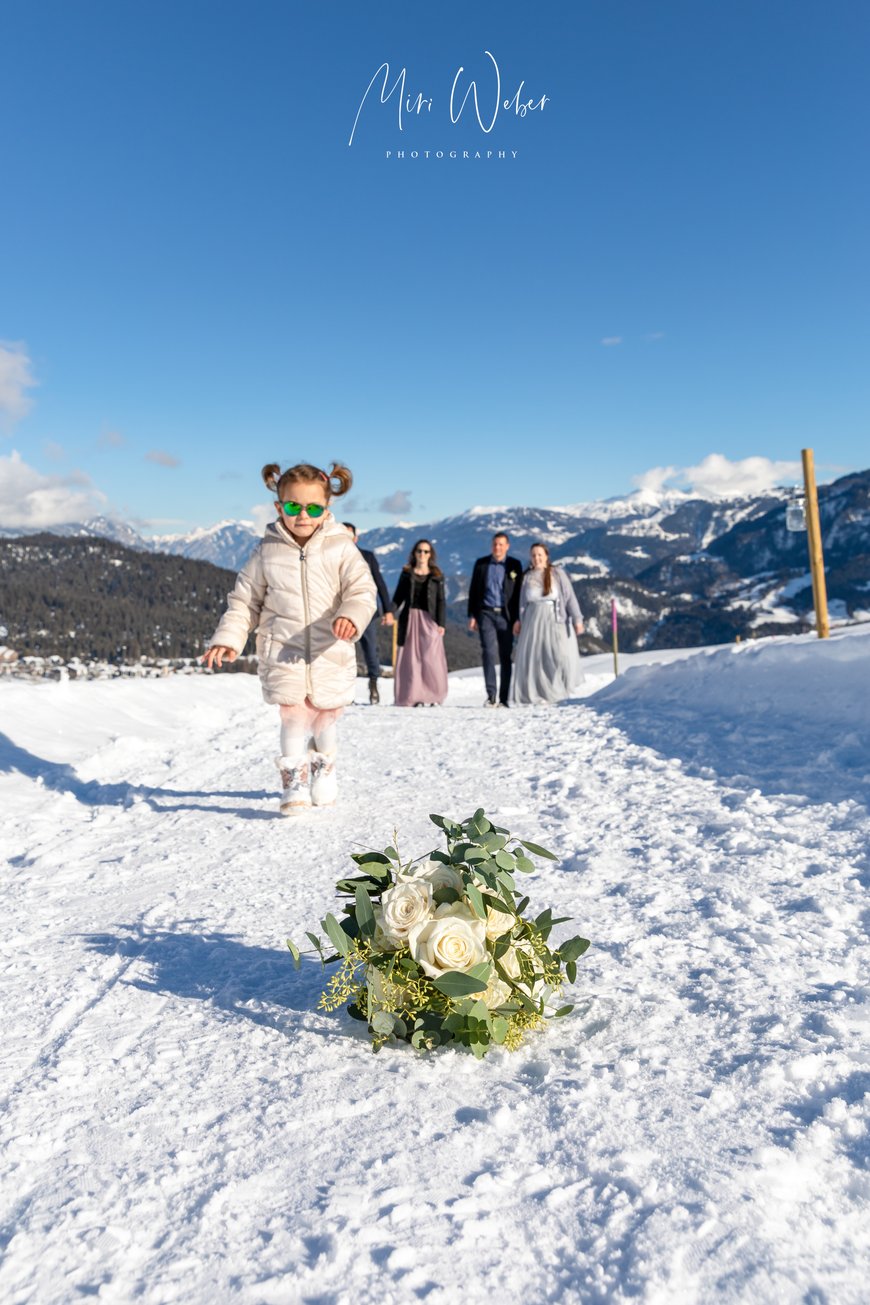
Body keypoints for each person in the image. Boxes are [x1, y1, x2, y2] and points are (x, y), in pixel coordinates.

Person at [201, 461, 376, 815]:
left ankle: (324, 769)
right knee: (293, 716)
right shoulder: (267, 551)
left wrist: (350, 615)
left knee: (325, 718)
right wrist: (229, 638)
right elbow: (245, 601)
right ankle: (294, 783)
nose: (303, 516)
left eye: (313, 508)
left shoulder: (341, 547)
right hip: (282, 649)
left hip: (330, 649)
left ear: (327, 507)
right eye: (294, 507)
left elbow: (362, 590)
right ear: (279, 506)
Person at [512, 542, 584, 705]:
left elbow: (570, 598)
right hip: (533, 620)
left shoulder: (557, 574)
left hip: (554, 619)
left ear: (546, 556)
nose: (536, 558)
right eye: (533, 555)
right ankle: (539, 693)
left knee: (558, 655)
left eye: (540, 555)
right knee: (536, 657)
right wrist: (519, 620)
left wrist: (577, 619)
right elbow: (522, 602)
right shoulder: (527, 576)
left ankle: (557, 689)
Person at [467, 532, 523, 707]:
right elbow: (473, 590)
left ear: (507, 546)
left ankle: (504, 698)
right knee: (488, 653)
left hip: (506, 616)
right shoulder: (481, 564)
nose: (497, 547)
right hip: (486, 613)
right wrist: (472, 615)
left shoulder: (514, 565)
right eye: (495, 544)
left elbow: (519, 593)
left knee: (505, 656)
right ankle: (491, 695)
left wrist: (518, 618)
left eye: (501, 544)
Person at [391, 539, 448, 707]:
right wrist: (388, 612)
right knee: (410, 660)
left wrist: (441, 623)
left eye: (426, 551)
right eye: (419, 551)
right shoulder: (406, 573)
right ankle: (412, 696)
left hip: (429, 620)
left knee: (431, 658)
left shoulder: (436, 575)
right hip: (409, 620)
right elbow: (398, 597)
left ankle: (433, 695)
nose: (422, 554)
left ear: (430, 555)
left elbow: (441, 600)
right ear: (414, 553)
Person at [344, 523, 395, 704]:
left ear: (355, 538)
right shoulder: (331, 555)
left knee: (370, 650)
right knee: (343, 653)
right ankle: (345, 691)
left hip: (367, 613)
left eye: (349, 535)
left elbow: (379, 583)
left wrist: (388, 610)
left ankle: (373, 685)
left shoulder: (367, 556)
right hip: (341, 613)